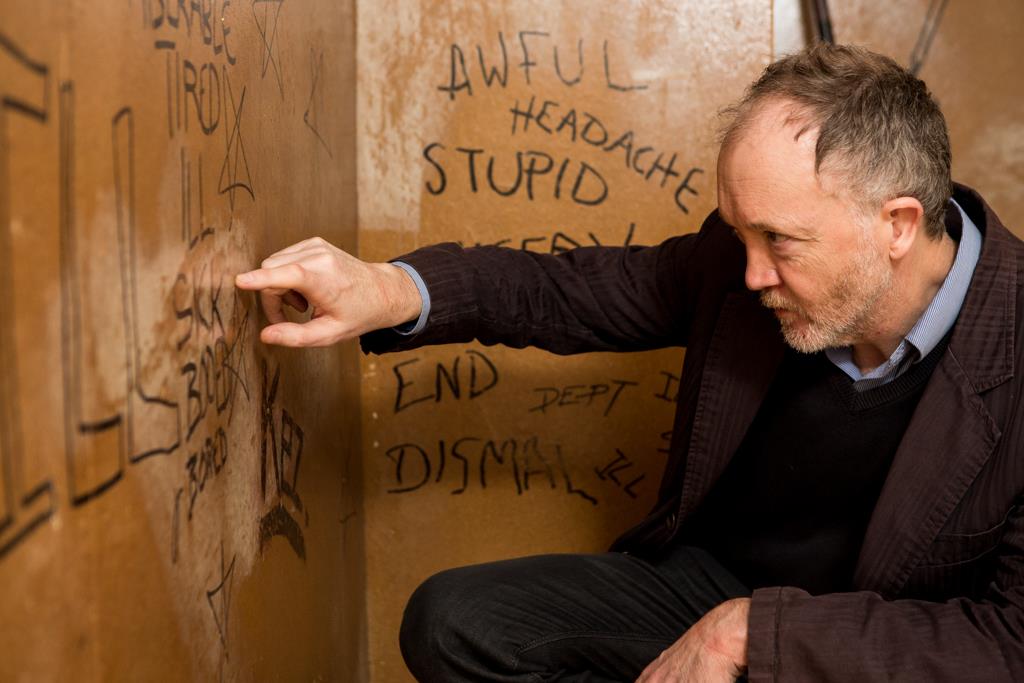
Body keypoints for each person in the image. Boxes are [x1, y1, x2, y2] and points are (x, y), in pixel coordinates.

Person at [235, 43, 1024, 682]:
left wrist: (755, 633)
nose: (750, 275)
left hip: (883, 647)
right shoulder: (740, 263)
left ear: (897, 224)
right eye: (739, 234)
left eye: (779, 241)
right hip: (709, 583)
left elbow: (1010, 643)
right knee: (451, 621)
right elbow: (570, 291)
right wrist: (386, 288)